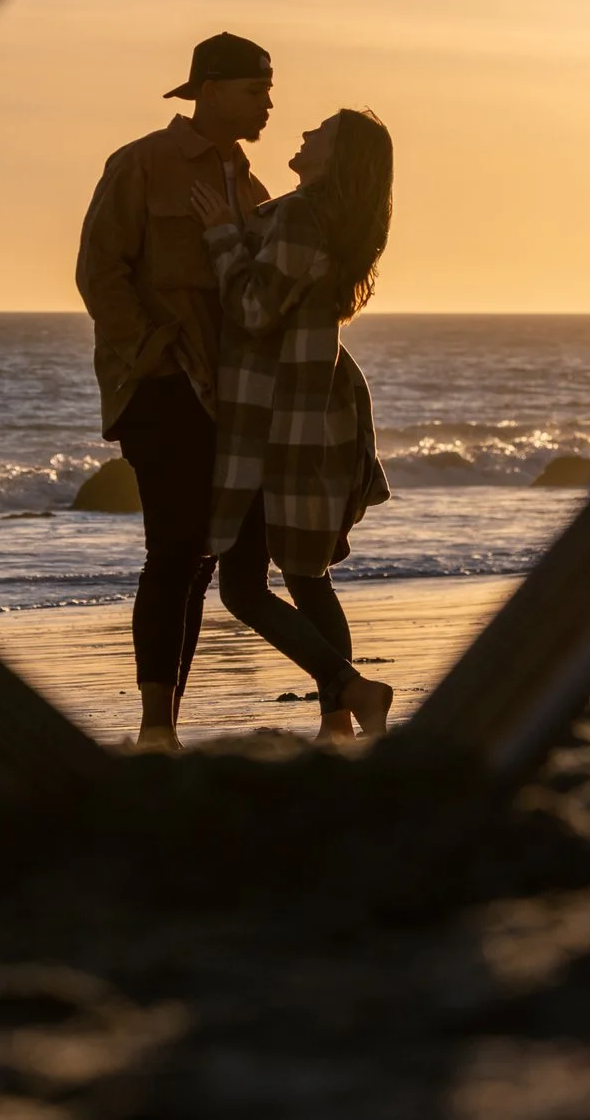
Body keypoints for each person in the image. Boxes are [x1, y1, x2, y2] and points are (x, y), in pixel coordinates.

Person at [74, 33, 275, 749]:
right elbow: (100, 272)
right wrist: (152, 353)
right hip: (160, 386)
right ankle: (155, 723)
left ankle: (168, 721)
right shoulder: (141, 164)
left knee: (203, 556)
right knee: (173, 548)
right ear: (211, 89)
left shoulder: (251, 188)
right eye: (256, 90)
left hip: (231, 397)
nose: (269, 104)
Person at [188, 108, 396, 740]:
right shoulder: (314, 215)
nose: (306, 133)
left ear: (339, 157)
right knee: (307, 576)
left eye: (322, 132)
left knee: (242, 590)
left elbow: (253, 308)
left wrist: (223, 234)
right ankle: (339, 723)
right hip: (307, 418)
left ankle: (355, 688)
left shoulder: (303, 216)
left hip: (273, 423)